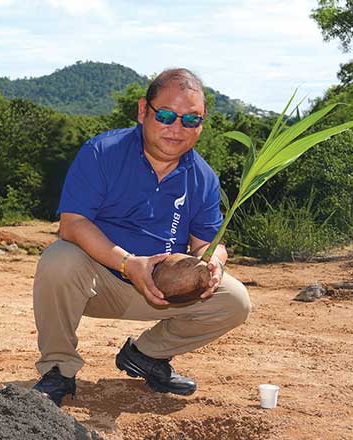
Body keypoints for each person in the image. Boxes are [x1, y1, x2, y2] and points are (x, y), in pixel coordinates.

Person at [32, 68, 251, 406]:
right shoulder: (102, 152)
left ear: (202, 124)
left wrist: (215, 263)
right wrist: (128, 263)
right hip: (97, 282)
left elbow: (207, 242)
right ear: (143, 111)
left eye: (191, 120)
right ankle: (58, 370)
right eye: (166, 115)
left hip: (165, 292)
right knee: (59, 258)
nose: (177, 128)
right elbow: (72, 224)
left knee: (234, 299)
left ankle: (146, 355)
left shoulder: (203, 178)